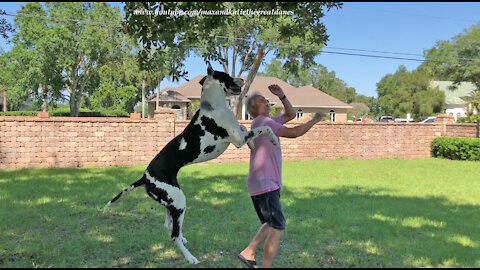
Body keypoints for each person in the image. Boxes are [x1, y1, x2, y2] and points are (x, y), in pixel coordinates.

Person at [237, 84, 324, 268]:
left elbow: (290, 115)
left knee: (271, 223)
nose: (267, 101)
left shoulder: (264, 122)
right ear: (255, 107)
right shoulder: (264, 122)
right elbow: (294, 132)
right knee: (278, 225)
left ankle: (249, 253)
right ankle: (258, 260)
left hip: (263, 183)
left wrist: (282, 96)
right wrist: (315, 120)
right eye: (262, 100)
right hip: (265, 183)